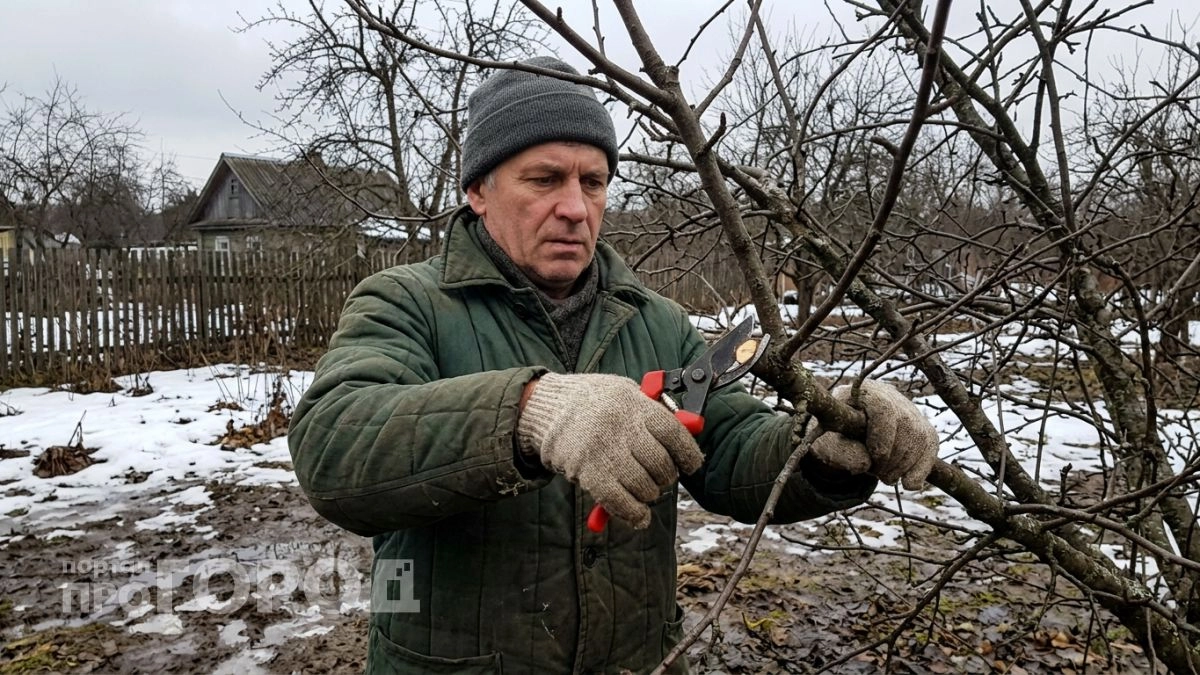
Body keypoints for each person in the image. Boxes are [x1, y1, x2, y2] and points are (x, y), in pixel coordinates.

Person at [288, 56, 940, 674]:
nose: (575, 206)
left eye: (592, 182)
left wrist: (824, 444)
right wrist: (530, 413)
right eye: (545, 179)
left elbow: (732, 444)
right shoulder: (410, 303)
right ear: (478, 191)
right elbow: (335, 444)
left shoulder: (654, 320)